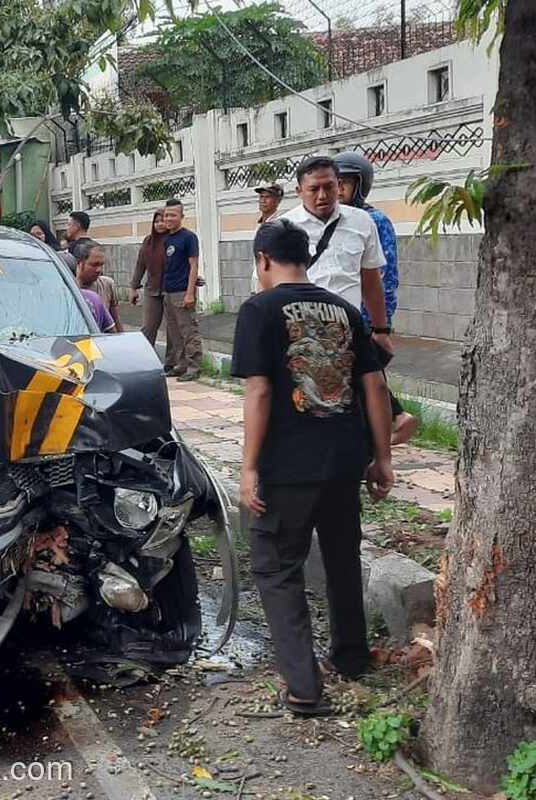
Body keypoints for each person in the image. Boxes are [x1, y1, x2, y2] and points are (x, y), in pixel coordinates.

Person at [231, 218, 394, 716]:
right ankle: (351, 656)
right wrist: (382, 457)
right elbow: (375, 386)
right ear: (306, 258)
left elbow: (259, 391)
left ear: (263, 260)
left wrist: (248, 468)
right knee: (342, 558)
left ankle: (303, 687)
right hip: (345, 460)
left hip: (288, 465)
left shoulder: (259, 309)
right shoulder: (345, 310)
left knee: (276, 567)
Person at [332, 152, 417, 445]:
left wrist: (380, 322)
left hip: (365, 316)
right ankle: (393, 420)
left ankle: (393, 421)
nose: (338, 189)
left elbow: (385, 275)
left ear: (361, 185)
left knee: (365, 374)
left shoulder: (375, 220)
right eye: (336, 182)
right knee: (360, 374)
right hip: (340, 313)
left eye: (345, 183)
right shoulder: (337, 219)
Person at [280, 156, 391, 356]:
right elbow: (267, 285)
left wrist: (381, 330)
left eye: (329, 187)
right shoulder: (283, 228)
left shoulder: (362, 222)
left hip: (349, 332)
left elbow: (371, 281)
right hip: (300, 336)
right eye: (314, 189)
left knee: (368, 377)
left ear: (338, 185)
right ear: (299, 191)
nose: (322, 195)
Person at [160, 199, 203, 381]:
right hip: (168, 292)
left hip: (182, 291)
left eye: (173, 215)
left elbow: (193, 265)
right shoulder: (167, 239)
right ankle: (181, 364)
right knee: (174, 333)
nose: (168, 219)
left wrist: (190, 293)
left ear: (181, 216)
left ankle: (194, 367)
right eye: (166, 215)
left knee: (189, 331)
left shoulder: (189, 237)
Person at [130, 209, 168, 347]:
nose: (159, 224)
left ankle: (173, 358)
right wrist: (133, 287)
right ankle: (146, 354)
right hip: (152, 290)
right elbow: (140, 265)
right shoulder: (148, 241)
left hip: (171, 290)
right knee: (148, 327)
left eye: (162, 221)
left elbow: (185, 264)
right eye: (156, 221)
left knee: (173, 329)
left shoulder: (174, 240)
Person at [75, 242, 123, 332]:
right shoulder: (71, 290)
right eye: (94, 265)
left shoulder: (107, 284)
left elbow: (116, 319)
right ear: (80, 263)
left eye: (101, 265)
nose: (99, 270)